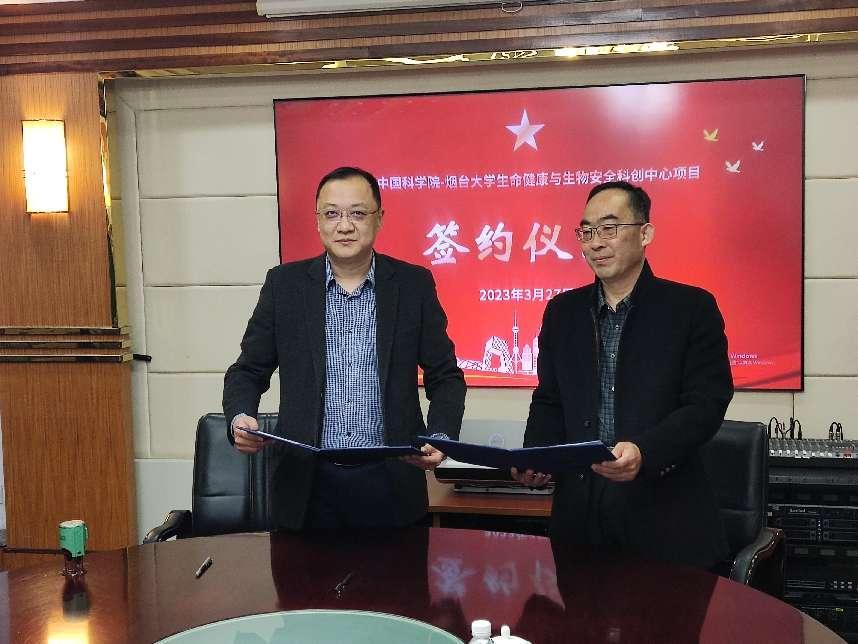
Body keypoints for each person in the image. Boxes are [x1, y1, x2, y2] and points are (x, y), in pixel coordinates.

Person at [223, 166, 466, 530]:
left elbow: (445, 376)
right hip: (306, 486)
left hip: (392, 482)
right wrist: (240, 416)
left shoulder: (412, 285)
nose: (345, 226)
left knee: (397, 571)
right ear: (317, 221)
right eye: (332, 214)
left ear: (379, 218)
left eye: (358, 213)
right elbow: (247, 370)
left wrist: (441, 435)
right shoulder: (284, 285)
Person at [513, 180, 733, 569]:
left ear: (645, 233)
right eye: (587, 232)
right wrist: (536, 455)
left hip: (665, 518)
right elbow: (550, 399)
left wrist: (644, 452)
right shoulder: (562, 312)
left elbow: (706, 405)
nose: (596, 243)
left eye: (609, 228)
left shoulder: (691, 309)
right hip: (579, 519)